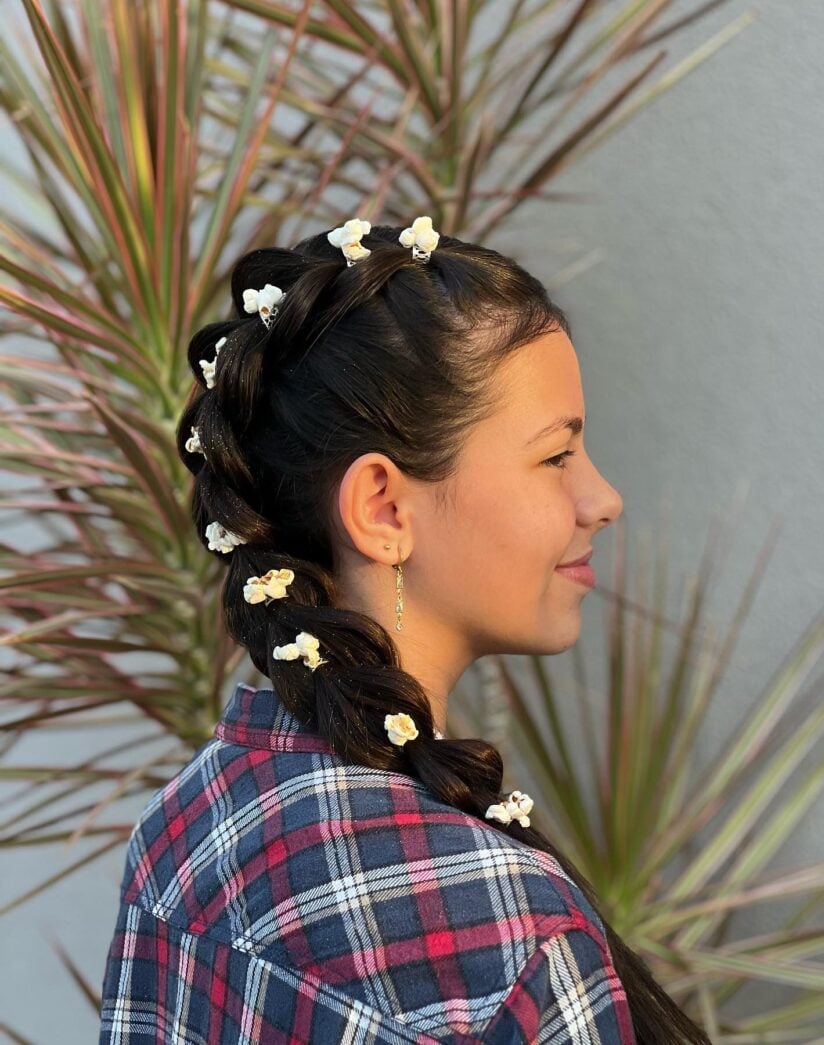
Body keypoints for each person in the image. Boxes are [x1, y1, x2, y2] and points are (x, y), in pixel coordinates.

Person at [98, 218, 710, 1043]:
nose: (602, 498)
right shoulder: (511, 939)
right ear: (383, 509)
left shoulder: (182, 829)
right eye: (557, 456)